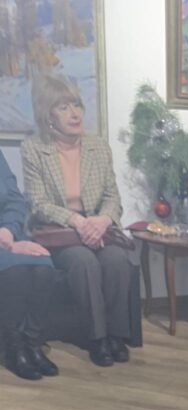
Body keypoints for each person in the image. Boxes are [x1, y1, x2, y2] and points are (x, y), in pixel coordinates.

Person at [21, 73, 133, 368]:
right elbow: (38, 203)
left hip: (97, 227)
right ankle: (97, 338)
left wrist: (103, 220)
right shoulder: (33, 148)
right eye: (63, 107)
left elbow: (112, 196)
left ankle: (117, 335)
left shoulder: (98, 147)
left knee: (117, 260)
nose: (74, 113)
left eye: (76, 105)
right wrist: (76, 221)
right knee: (84, 262)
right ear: (48, 116)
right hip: (60, 231)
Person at [0, 152, 59, 380]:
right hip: (4, 242)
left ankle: (32, 344)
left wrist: (8, 231)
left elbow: (15, 200)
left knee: (43, 267)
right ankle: (14, 350)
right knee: (15, 272)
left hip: (7, 235)